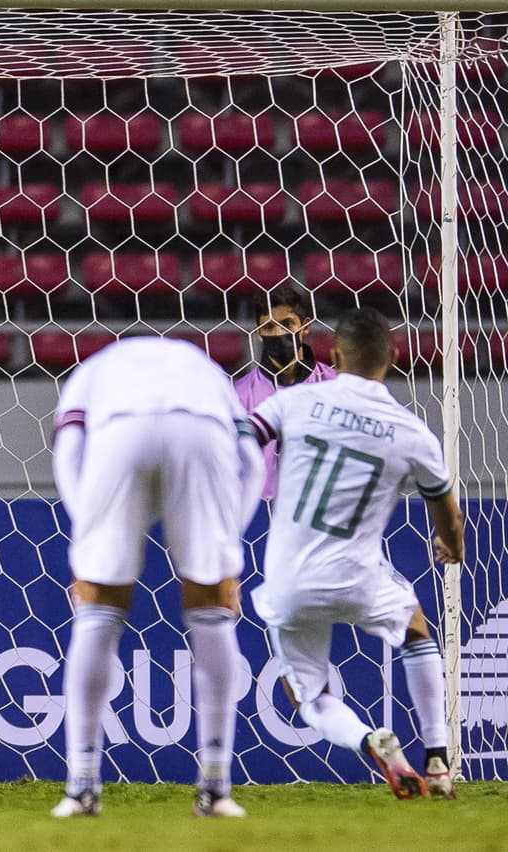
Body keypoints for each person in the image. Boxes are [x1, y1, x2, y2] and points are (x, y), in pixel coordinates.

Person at [248, 307, 464, 800]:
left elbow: (239, 446)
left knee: (309, 698)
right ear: (392, 358)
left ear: (333, 354)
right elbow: (447, 511)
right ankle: (437, 759)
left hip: (288, 578)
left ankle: (371, 741)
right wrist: (450, 545)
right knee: (415, 630)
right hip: (358, 576)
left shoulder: (294, 402)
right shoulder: (411, 431)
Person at [50, 337, 264, 819]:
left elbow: (68, 452)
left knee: (99, 610)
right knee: (211, 610)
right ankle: (215, 788)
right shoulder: (209, 372)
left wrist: (86, 543)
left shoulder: (89, 373)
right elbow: (252, 462)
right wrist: (229, 547)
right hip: (201, 427)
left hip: (120, 428)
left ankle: (82, 786)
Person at [234, 283, 337, 499]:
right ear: (259, 334)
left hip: (319, 513)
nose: (279, 333)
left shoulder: (335, 387)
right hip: (259, 519)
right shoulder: (238, 396)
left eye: (287, 324)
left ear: (305, 326)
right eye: (269, 327)